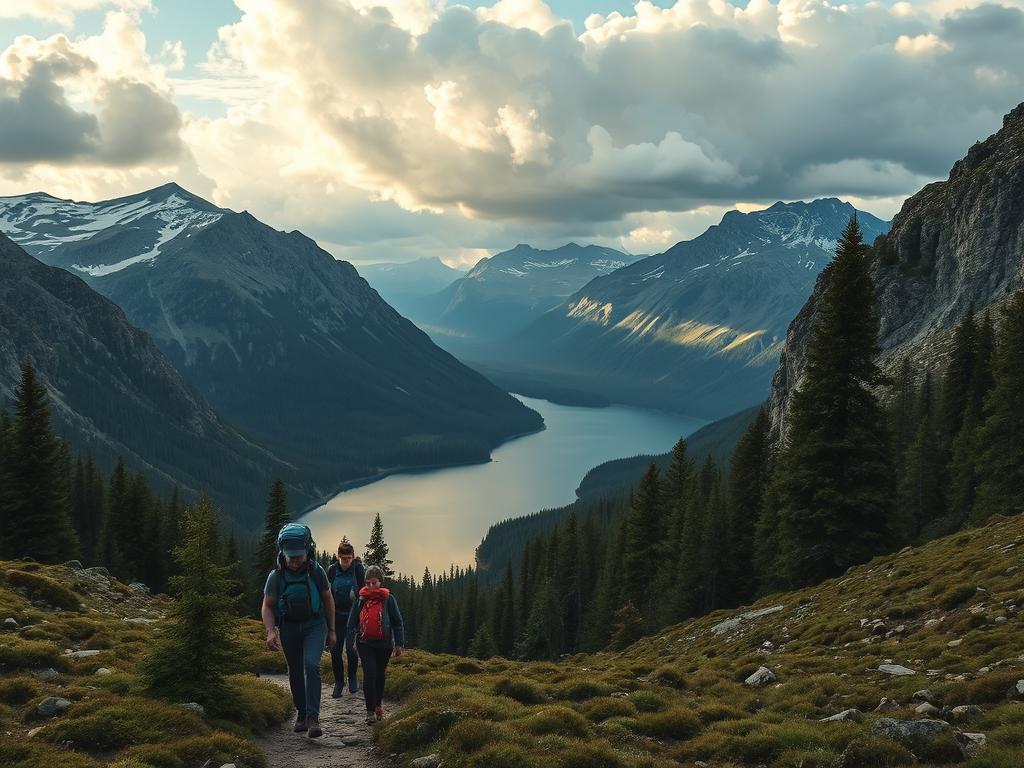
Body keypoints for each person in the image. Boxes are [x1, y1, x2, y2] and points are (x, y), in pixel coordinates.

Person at [262, 523, 336, 739]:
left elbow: (327, 599)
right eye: (290, 557)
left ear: (307, 552)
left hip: (315, 625)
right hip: (289, 627)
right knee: (294, 670)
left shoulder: (316, 571)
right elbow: (267, 605)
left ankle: (313, 717)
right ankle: (301, 714)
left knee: (311, 665)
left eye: (299, 557)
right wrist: (270, 631)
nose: (294, 561)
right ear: (282, 553)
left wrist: (331, 630)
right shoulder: (276, 576)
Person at [347, 565, 405, 725]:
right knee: (370, 673)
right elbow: (352, 622)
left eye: (374, 583)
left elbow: (397, 622)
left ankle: (378, 705)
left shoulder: (388, 599)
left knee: (379, 675)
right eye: (368, 583)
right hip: (364, 642)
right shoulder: (360, 599)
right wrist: (352, 640)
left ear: (381, 582)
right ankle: (370, 711)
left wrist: (399, 644)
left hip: (385, 644)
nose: (371, 586)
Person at [326, 537, 365, 697]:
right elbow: (326, 593)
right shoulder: (332, 570)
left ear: (353, 557)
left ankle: (352, 677)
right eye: (343, 558)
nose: (346, 561)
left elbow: (364, 591)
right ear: (338, 556)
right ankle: (339, 682)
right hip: (336, 615)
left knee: (351, 649)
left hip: (353, 615)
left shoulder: (358, 569)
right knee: (335, 650)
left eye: (349, 558)